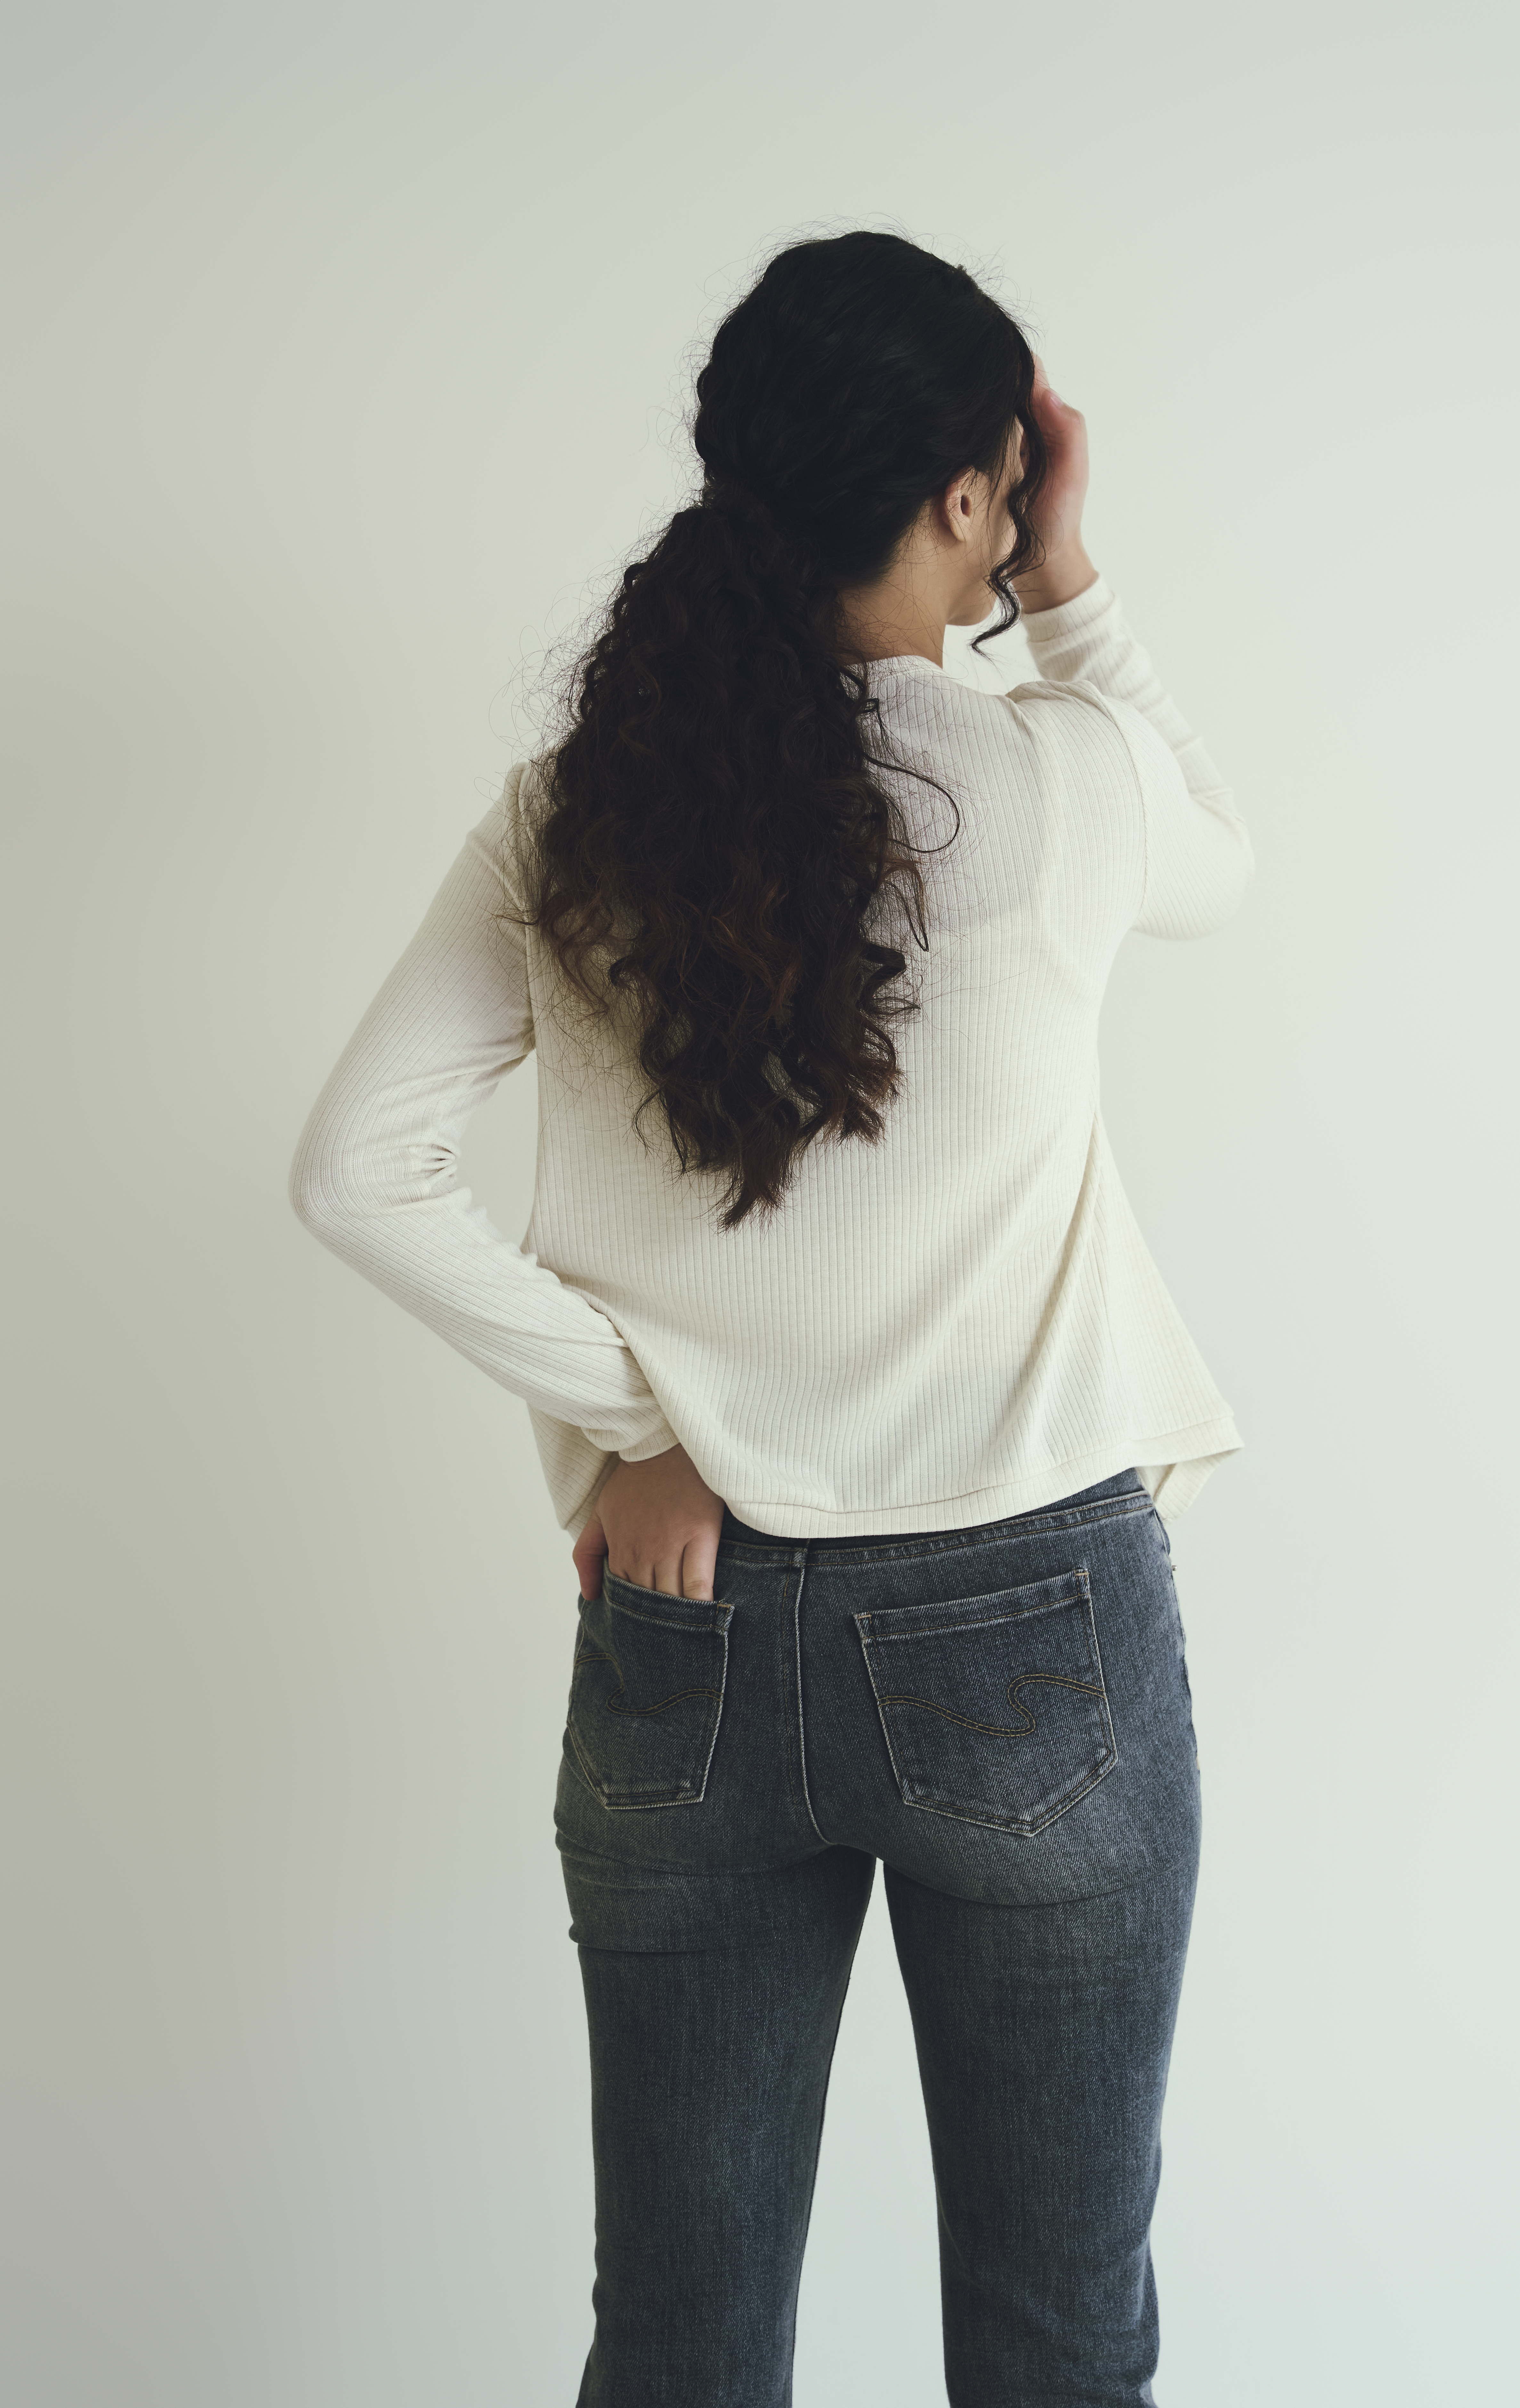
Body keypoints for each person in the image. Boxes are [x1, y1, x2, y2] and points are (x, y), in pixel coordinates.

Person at [289, 228, 1252, 2407]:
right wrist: (1070, 585)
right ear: (970, 495)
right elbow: (1223, 847)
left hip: (688, 1628)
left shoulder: (580, 806)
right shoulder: (1065, 785)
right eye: (995, 491)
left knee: (684, 2340)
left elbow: (360, 1169)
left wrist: (642, 1417)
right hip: (1035, 1631)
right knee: (1058, 2337)